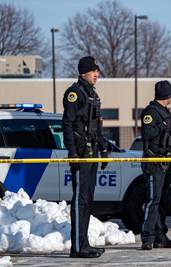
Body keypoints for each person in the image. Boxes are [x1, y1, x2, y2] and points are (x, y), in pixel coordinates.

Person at [63, 56, 109, 258]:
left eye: (97, 71)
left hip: (92, 154)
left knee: (88, 200)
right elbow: (67, 124)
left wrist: (104, 148)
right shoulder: (75, 93)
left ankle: (85, 243)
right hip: (81, 155)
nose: (97, 74)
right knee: (80, 199)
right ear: (84, 72)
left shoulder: (92, 94)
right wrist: (72, 153)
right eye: (93, 71)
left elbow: (96, 126)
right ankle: (77, 247)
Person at [140, 80, 171, 250]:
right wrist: (163, 126)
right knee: (152, 201)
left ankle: (160, 237)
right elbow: (147, 133)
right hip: (154, 162)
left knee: (163, 201)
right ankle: (147, 238)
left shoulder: (166, 113)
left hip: (165, 161)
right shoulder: (151, 112)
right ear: (168, 95)